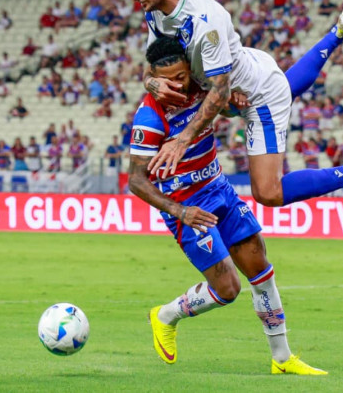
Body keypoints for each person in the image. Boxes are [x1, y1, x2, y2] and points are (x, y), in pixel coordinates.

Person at [123, 0, 343, 222]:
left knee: (267, 192)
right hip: (246, 72)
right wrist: (153, 83)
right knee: (283, 88)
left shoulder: (204, 20)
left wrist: (181, 142)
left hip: (258, 96)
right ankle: (338, 32)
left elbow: (221, 91)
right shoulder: (155, 13)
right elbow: (152, 67)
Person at [129, 37, 332, 375]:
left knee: (259, 265)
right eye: (171, 79)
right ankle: (165, 315)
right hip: (189, 208)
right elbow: (136, 181)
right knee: (228, 290)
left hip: (220, 189)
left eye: (183, 75)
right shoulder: (150, 118)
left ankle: (282, 359)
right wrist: (180, 212)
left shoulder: (200, 85)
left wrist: (232, 101)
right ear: (153, 76)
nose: (180, 84)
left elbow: (222, 105)